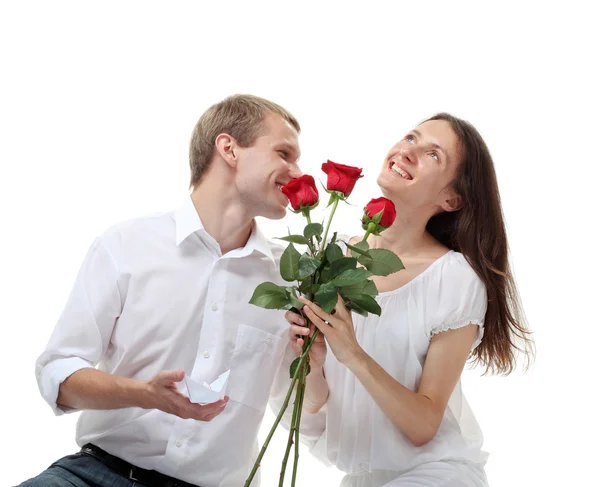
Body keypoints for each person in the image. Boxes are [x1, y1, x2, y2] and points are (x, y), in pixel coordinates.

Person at [20, 94, 303, 487]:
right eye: (284, 153)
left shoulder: (290, 279)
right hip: (97, 474)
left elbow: (304, 417)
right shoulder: (125, 244)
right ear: (229, 148)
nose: (296, 171)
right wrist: (145, 394)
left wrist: (320, 363)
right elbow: (59, 375)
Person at [277, 113, 533, 487]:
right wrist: (313, 362)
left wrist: (354, 355)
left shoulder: (455, 278)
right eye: (412, 138)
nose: (408, 151)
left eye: (434, 155)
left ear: (452, 198)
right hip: (362, 478)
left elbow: (423, 425)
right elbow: (314, 411)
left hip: (435, 474)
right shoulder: (329, 256)